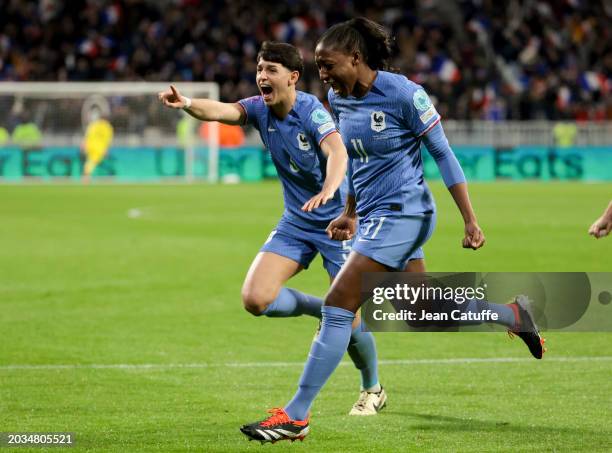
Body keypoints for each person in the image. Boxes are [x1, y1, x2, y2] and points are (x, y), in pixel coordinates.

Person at [240, 18, 546, 443]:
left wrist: (470, 219)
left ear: (356, 57)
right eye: (319, 66)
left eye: (328, 64)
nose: (322, 74)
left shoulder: (404, 94)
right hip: (372, 215)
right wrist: (349, 210)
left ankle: (296, 415)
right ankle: (513, 315)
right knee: (420, 312)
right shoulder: (338, 98)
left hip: (407, 211)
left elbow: (443, 154)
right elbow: (357, 162)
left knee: (339, 303)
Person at [158, 41, 393, 416]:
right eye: (259, 69)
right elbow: (221, 110)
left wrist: (332, 188)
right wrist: (186, 103)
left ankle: (372, 388)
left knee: (352, 318)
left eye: (270, 70)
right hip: (297, 220)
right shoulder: (258, 108)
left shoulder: (310, 111)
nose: (261, 76)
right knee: (255, 299)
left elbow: (337, 151)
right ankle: (324, 309)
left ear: (293, 77)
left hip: (338, 224)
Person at [81, 108, 113, 183]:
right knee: (92, 162)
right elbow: (108, 140)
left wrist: (84, 144)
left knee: (91, 161)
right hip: (100, 148)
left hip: (91, 146)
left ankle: (86, 176)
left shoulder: (94, 125)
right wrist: (106, 149)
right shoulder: (108, 127)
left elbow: (87, 136)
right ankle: (86, 177)